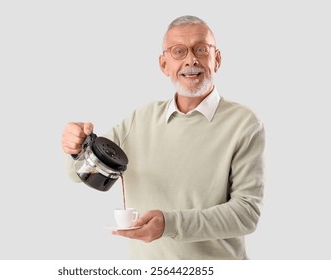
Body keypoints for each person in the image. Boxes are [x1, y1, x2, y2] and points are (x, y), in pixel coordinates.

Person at [61, 15, 265, 259]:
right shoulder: (141, 118)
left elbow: (246, 214)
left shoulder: (244, 123)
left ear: (217, 59)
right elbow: (78, 173)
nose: (191, 60)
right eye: (178, 51)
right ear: (163, 64)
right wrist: (77, 146)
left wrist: (170, 224)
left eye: (201, 49)